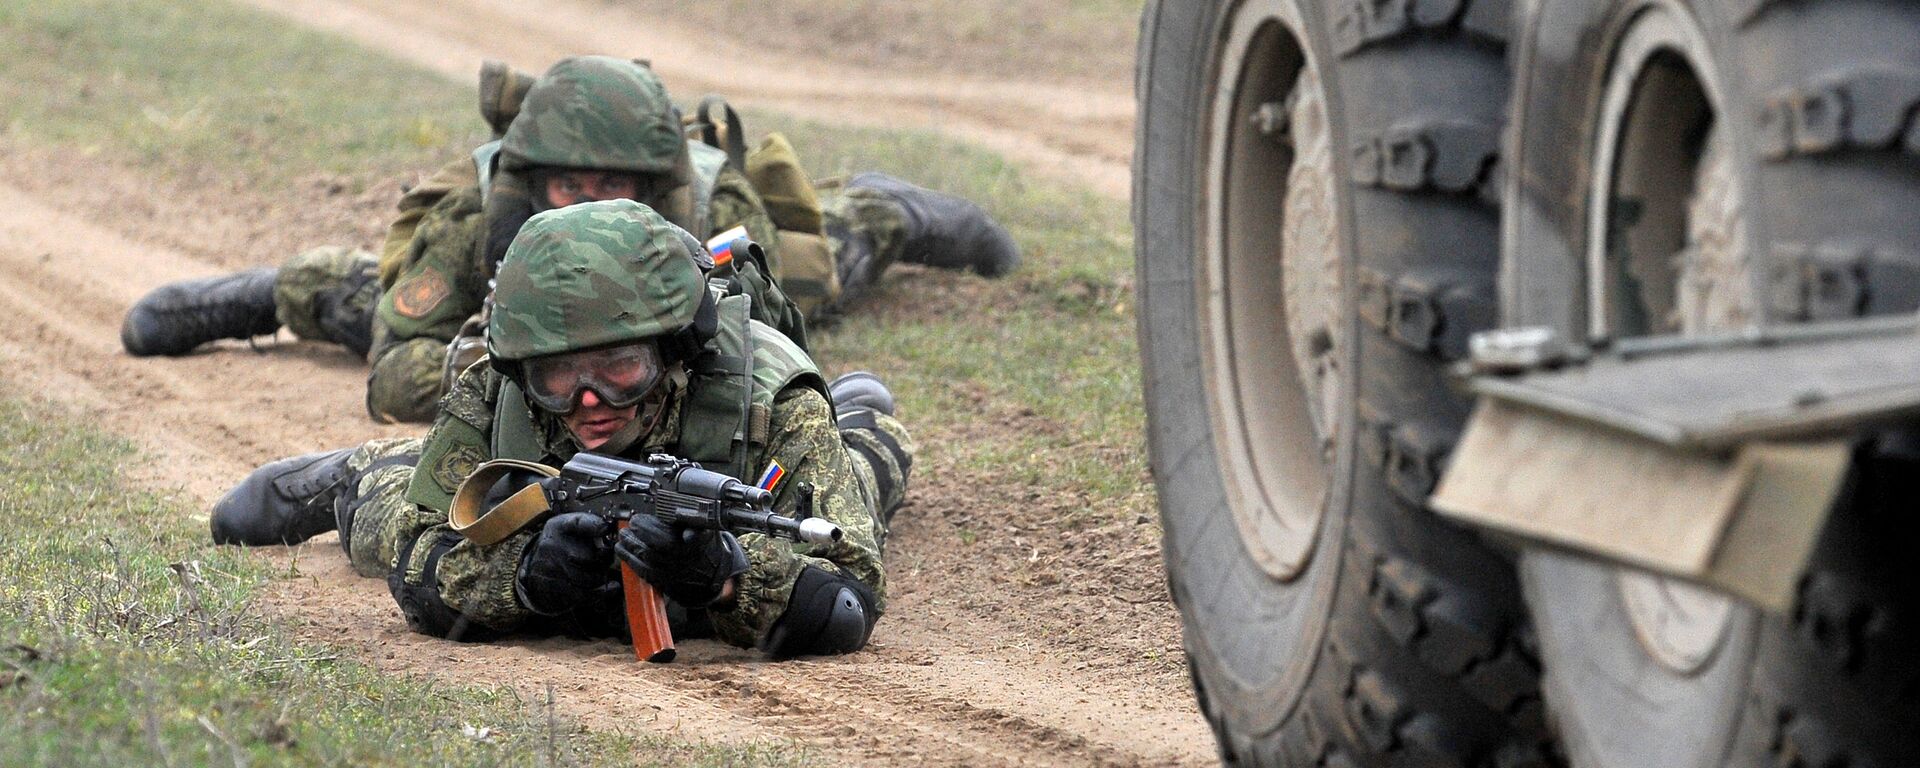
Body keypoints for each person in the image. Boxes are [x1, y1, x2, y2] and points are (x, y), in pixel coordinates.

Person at [121, 55, 1018, 423]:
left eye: (615, 189)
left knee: (832, 259)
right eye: (568, 187)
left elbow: (765, 357)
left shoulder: (709, 214)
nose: (590, 204)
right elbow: (396, 371)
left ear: (653, 188)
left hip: (675, 303)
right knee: (362, 297)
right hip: (506, 320)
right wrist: (517, 368)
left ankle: (886, 203)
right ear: (531, 179)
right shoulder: (481, 222)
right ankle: (271, 289)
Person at [208, 199, 913, 656]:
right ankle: (351, 471)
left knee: (863, 472)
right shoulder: (495, 390)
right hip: (532, 491)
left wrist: (725, 578)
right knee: (384, 509)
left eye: (620, 369)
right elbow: (417, 564)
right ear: (523, 371)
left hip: (754, 468)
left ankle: (859, 415)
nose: (589, 401)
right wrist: (526, 578)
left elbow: (850, 599)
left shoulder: (773, 404)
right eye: (557, 380)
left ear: (673, 350)